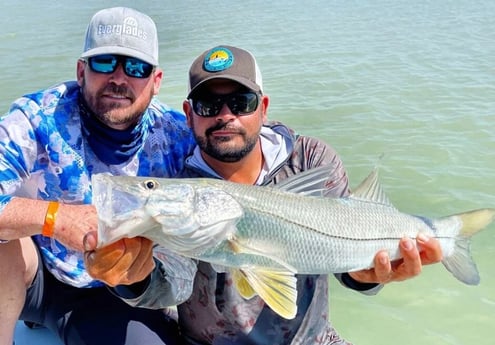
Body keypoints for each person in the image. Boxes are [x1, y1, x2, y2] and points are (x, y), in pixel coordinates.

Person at [84, 45, 443, 344]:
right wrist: (132, 277)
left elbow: (346, 251)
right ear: (189, 115)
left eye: (240, 102)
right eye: (209, 106)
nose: (226, 116)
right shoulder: (177, 181)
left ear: (264, 107)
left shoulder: (310, 160)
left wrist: (367, 276)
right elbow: (172, 283)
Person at [0, 7, 198, 345]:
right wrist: (56, 218)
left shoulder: (178, 136)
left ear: (156, 82)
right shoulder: (37, 118)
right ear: (81, 71)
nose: (119, 79)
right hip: (36, 276)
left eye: (136, 67)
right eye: (105, 62)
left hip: (113, 293)